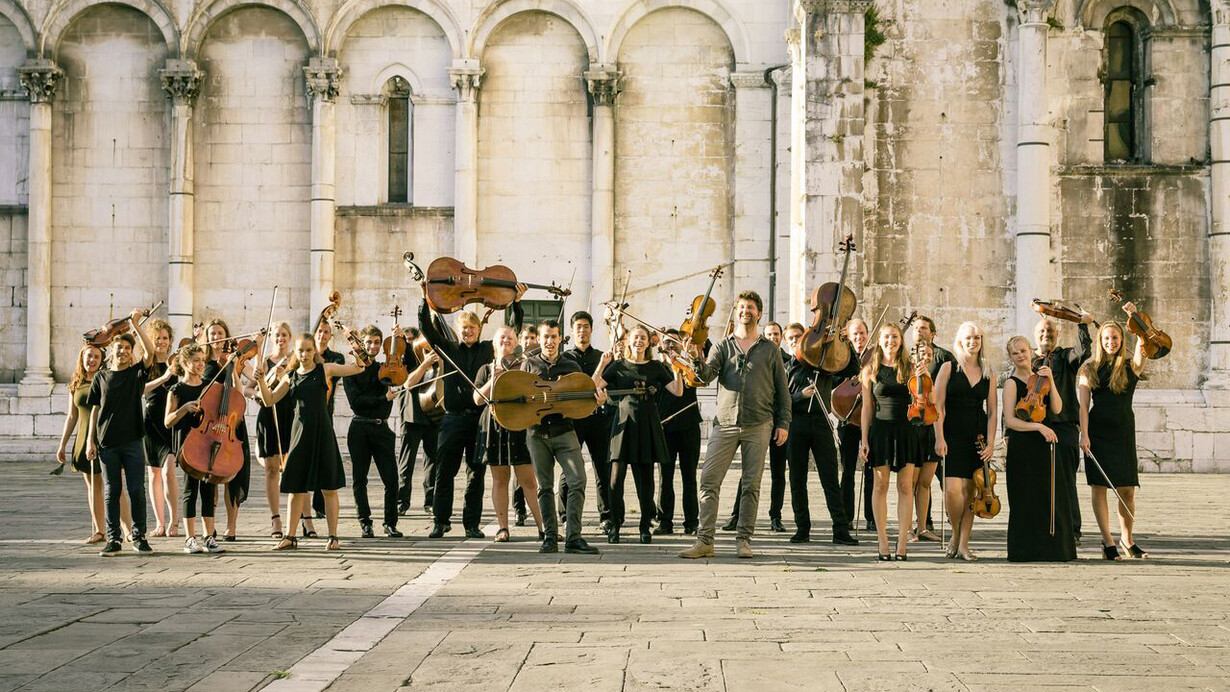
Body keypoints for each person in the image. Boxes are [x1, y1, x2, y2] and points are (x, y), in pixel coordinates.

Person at [679, 291, 790, 560]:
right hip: (726, 422)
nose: (745, 311)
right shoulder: (722, 346)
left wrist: (783, 422)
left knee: (751, 485)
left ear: (759, 313)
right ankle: (705, 541)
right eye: (741, 307)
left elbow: (782, 391)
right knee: (709, 480)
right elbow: (705, 377)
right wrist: (695, 357)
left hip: (759, 423)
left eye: (750, 307)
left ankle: (743, 540)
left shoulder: (770, 349)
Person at [418, 285, 525, 539]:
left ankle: (471, 525)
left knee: (475, 474)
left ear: (479, 330)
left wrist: (516, 303)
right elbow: (427, 330)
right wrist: (426, 300)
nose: (467, 332)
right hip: (452, 420)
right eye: (463, 328)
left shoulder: (489, 349)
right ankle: (440, 521)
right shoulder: (449, 348)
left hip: (478, 420)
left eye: (472, 328)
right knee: (444, 472)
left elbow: (512, 332)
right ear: (459, 330)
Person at [255, 332, 365, 551]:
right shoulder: (290, 376)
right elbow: (269, 400)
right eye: (300, 350)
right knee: (296, 488)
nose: (304, 354)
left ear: (314, 351)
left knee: (329, 488)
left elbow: (358, 368)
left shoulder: (325, 369)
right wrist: (261, 379)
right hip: (299, 435)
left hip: (322, 433)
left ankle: (333, 536)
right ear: (295, 353)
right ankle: (290, 536)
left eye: (308, 350)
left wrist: (358, 355)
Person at [594, 325, 683, 544]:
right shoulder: (618, 366)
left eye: (643, 338)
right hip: (623, 425)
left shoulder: (655, 366)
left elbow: (677, 391)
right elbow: (594, 386)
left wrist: (676, 368)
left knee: (645, 480)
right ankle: (614, 526)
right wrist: (602, 364)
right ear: (627, 342)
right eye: (635, 337)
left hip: (647, 425)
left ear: (648, 342)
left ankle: (645, 526)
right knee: (615, 479)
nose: (639, 341)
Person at [521, 319, 601, 554]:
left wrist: (597, 401)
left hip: (565, 430)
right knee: (544, 487)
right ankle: (549, 537)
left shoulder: (571, 364)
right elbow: (521, 396)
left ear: (560, 338)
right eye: (545, 337)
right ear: (539, 339)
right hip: (536, 432)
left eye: (554, 337)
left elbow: (583, 397)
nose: (549, 341)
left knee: (577, 481)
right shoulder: (529, 364)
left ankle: (573, 537)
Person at [85, 312, 157, 556]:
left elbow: (150, 353)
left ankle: (139, 536)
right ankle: (113, 538)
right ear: (111, 351)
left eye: (127, 347)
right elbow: (94, 410)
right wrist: (90, 440)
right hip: (107, 443)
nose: (123, 351)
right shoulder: (101, 377)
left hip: (133, 441)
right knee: (111, 490)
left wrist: (136, 324)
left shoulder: (137, 374)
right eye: (119, 347)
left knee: (137, 489)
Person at [1079, 313, 1148, 560]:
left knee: (1127, 489)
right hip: (1097, 433)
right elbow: (1083, 407)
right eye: (1107, 338)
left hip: (1123, 432)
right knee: (1099, 487)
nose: (1111, 342)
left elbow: (1145, 341)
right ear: (1100, 340)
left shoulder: (1132, 366)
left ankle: (1127, 539)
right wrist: (1084, 435)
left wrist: (1135, 317)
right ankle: (1107, 541)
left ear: (1121, 339)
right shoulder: (1089, 368)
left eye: (1116, 337)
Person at [785, 322, 859, 546]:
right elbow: (780, 399)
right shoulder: (787, 366)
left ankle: (840, 528)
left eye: (801, 336)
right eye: (793, 338)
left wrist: (845, 342)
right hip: (795, 422)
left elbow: (852, 369)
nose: (798, 341)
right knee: (797, 478)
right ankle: (802, 528)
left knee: (830, 477)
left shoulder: (826, 362)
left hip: (821, 422)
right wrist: (800, 396)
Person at [1003, 335, 1073, 562]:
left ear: (1031, 351)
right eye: (1015, 353)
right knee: (1025, 498)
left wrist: (1051, 381)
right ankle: (1025, 550)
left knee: (1050, 496)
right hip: (1023, 446)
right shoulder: (1011, 383)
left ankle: (1053, 549)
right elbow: (1011, 421)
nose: (1020, 355)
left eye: (1023, 350)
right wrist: (1038, 427)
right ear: (1011, 357)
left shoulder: (1041, 378)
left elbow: (1057, 407)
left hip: (1045, 445)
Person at [473, 326, 546, 542]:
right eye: (502, 337)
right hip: (495, 424)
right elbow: (477, 400)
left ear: (517, 343)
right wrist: (493, 380)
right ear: (494, 343)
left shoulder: (524, 366)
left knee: (529, 480)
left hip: (519, 424)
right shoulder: (486, 369)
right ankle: (502, 528)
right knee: (500, 478)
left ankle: (545, 528)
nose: (506, 340)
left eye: (510, 338)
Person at [933, 322, 998, 561]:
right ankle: (955, 533)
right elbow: (937, 406)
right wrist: (939, 437)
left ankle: (963, 545)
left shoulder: (988, 370)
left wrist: (991, 443)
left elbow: (992, 411)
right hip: (951, 435)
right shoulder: (949, 367)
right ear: (960, 341)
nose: (973, 342)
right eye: (969, 338)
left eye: (977, 338)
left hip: (978, 438)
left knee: (972, 493)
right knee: (952, 490)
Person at [56, 343, 131, 544]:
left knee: (115, 485)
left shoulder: (106, 378)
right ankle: (100, 530)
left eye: (96, 357)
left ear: (101, 360)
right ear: (82, 358)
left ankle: (127, 530)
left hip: (105, 436)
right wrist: (62, 444)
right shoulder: (75, 383)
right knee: (93, 486)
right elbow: (71, 416)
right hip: (83, 438)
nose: (92, 360)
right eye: (89, 356)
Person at [858, 323, 920, 561]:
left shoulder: (911, 367)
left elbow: (926, 399)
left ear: (901, 341)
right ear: (879, 340)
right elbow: (866, 408)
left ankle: (902, 543)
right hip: (881, 431)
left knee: (905, 488)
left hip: (906, 430)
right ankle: (882, 541)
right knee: (880, 487)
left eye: (895, 337)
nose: (891, 341)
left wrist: (924, 377)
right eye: (886, 337)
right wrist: (864, 439)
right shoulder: (870, 370)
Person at [1033, 312, 1094, 544]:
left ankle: (1072, 530)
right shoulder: (1029, 360)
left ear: (1057, 335)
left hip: (1065, 425)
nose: (1046, 335)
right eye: (1042, 332)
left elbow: (1083, 351)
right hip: (1037, 426)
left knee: (1066, 479)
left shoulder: (1066, 357)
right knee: (1039, 479)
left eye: (1050, 332)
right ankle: (1043, 526)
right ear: (1035, 336)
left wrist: (1082, 325)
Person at [723, 321, 790, 533]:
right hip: (757, 420)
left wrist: (783, 422)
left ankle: (775, 516)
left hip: (778, 422)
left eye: (777, 334)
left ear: (782, 337)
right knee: (749, 472)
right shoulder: (757, 354)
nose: (773, 337)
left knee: (778, 472)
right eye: (769, 334)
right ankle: (737, 514)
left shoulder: (789, 360)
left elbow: (784, 394)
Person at [342, 325, 406, 538]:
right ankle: (365, 523)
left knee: (391, 479)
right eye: (369, 342)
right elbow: (357, 403)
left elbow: (408, 369)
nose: (373, 346)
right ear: (361, 343)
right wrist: (383, 399)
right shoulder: (351, 371)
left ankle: (390, 524)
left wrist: (399, 341)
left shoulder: (385, 368)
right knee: (360, 479)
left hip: (382, 427)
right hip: (359, 427)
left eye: (377, 342)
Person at [164, 343, 225, 554]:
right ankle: (190, 538)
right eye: (196, 361)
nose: (201, 364)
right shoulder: (177, 389)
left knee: (209, 488)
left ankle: (209, 536)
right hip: (188, 444)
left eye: (202, 360)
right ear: (185, 363)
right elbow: (168, 421)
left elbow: (219, 415)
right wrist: (184, 408)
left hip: (209, 441)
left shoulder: (210, 386)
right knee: (191, 490)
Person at [562, 311, 614, 534]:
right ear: (572, 331)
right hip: (572, 420)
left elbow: (607, 386)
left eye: (586, 326)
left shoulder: (603, 357)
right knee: (569, 468)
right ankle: (565, 515)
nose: (582, 330)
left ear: (591, 330)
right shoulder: (564, 359)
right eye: (578, 327)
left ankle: (607, 516)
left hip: (597, 419)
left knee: (602, 467)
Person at [200, 319, 252, 541]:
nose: (215, 337)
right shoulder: (201, 361)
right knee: (209, 474)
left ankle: (231, 526)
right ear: (207, 337)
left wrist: (233, 366)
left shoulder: (232, 360)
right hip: (209, 423)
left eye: (220, 333)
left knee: (232, 475)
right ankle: (209, 526)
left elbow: (239, 393)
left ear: (226, 336)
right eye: (212, 333)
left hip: (231, 422)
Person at [656, 328, 707, 536]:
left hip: (688, 427)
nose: (670, 345)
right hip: (665, 428)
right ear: (661, 345)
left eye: (674, 342)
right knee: (664, 478)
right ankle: (665, 522)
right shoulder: (657, 369)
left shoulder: (688, 366)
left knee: (689, 477)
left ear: (681, 344)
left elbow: (703, 376)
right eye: (666, 342)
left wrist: (693, 352)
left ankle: (691, 522)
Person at [141, 319, 180, 537]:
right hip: (150, 421)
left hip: (170, 421)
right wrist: (163, 378)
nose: (162, 342)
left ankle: (174, 520)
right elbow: (139, 390)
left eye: (165, 338)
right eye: (158, 338)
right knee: (154, 473)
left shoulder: (177, 363)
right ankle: (159, 522)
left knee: (168, 472)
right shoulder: (146, 365)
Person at [255, 321, 295, 539]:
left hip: (289, 414)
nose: (281, 339)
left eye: (284, 335)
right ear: (272, 338)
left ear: (290, 338)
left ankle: (304, 518)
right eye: (277, 335)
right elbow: (251, 389)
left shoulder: (294, 360)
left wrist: (287, 372)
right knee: (271, 469)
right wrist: (258, 394)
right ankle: (275, 518)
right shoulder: (263, 362)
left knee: (294, 468)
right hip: (268, 416)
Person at [395, 325, 440, 517]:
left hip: (433, 413)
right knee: (406, 462)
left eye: (412, 339)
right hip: (412, 414)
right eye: (406, 340)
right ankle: (401, 501)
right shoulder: (403, 359)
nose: (410, 343)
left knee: (432, 461)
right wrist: (399, 342)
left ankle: (430, 501)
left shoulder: (432, 357)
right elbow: (407, 382)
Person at [835, 318, 873, 532]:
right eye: (855, 334)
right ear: (848, 336)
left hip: (870, 419)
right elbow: (833, 383)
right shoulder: (842, 358)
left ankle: (871, 517)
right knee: (848, 469)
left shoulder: (874, 357)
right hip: (848, 417)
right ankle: (847, 516)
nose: (859, 338)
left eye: (862, 334)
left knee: (871, 469)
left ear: (868, 335)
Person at [311, 317, 347, 522]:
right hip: (308, 414)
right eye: (319, 332)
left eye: (326, 332)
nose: (322, 335)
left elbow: (330, 375)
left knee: (324, 460)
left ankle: (320, 504)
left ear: (330, 336)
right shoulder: (305, 355)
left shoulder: (337, 358)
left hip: (326, 414)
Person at [907, 340, 942, 544]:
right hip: (912, 431)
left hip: (929, 430)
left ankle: (922, 527)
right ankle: (908, 528)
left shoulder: (933, 377)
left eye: (929, 354)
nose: (926, 357)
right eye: (922, 354)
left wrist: (928, 378)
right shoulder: (906, 376)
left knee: (926, 483)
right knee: (909, 483)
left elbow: (936, 406)